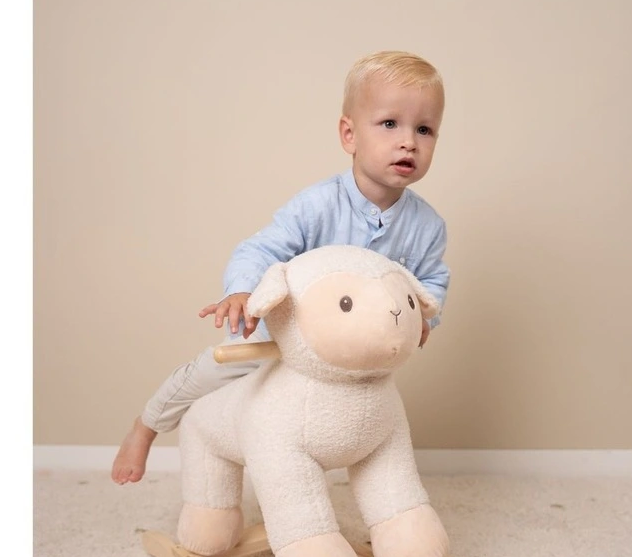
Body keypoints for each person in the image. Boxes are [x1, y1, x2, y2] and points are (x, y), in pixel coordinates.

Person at [112, 50, 451, 484]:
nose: (409, 142)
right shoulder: (317, 205)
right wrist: (241, 291)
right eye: (389, 124)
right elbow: (260, 250)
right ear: (349, 134)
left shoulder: (427, 226)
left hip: (349, 354)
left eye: (424, 129)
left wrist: (425, 315)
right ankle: (146, 426)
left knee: (371, 406)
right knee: (217, 367)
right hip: (281, 335)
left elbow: (430, 279)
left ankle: (372, 488)